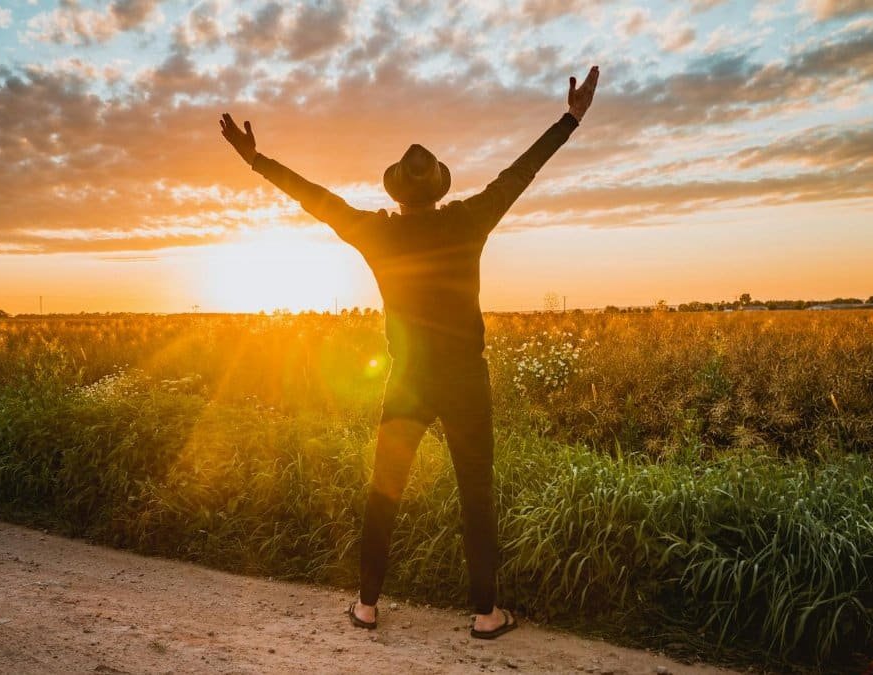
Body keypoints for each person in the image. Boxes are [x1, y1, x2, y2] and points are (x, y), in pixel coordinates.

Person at [220, 66, 600, 639]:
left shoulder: (378, 233)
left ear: (397, 192)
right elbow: (520, 172)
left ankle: (367, 606)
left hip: (407, 379)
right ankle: (485, 614)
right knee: (476, 493)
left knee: (385, 490)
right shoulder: (470, 219)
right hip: (465, 380)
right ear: (439, 187)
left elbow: (316, 199)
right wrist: (569, 120)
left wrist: (256, 160)